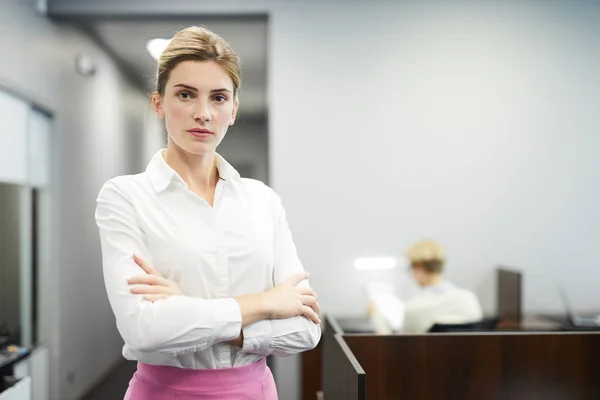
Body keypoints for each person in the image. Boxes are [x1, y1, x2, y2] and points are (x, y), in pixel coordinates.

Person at [95, 26, 321, 400]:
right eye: (185, 94)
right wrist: (264, 304)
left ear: (232, 110)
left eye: (218, 98)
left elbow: (306, 329)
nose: (202, 113)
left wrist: (188, 309)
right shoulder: (125, 197)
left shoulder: (262, 201)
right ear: (158, 104)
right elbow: (143, 330)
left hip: (256, 391)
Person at [401, 240, 483, 333]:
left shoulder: (414, 308)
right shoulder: (469, 299)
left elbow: (401, 342)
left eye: (411, 267)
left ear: (419, 267)